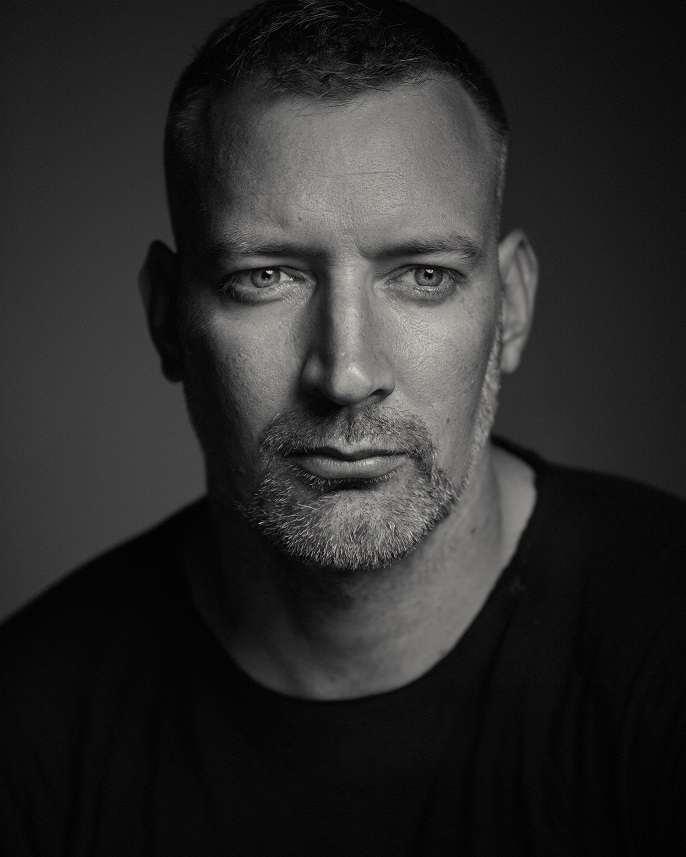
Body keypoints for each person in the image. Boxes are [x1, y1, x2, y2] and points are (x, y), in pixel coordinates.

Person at [1, 0, 684, 853]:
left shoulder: (663, 643)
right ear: (168, 318)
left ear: (508, 308)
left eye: (423, 275)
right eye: (267, 277)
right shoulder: (30, 725)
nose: (347, 372)